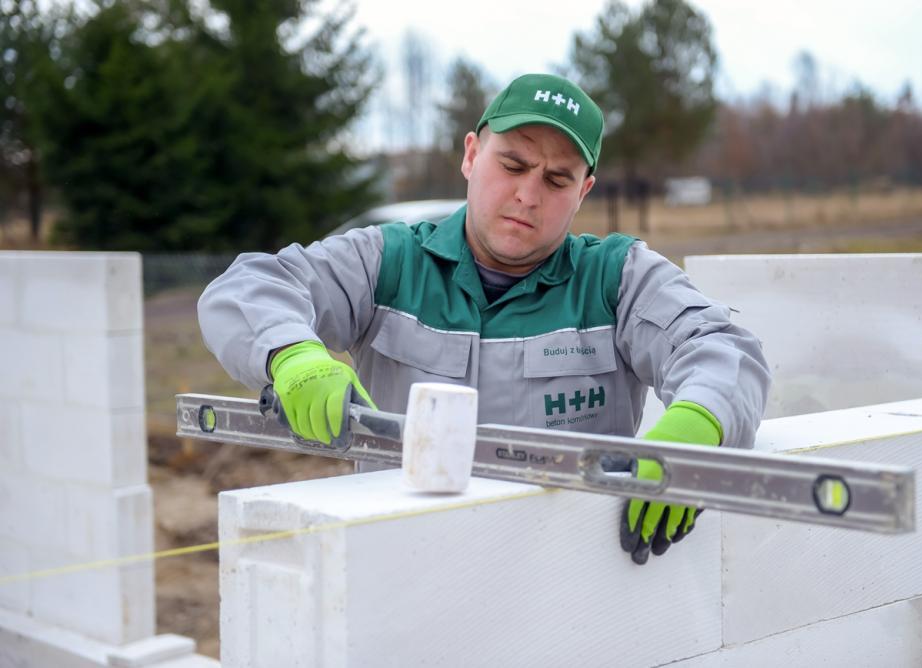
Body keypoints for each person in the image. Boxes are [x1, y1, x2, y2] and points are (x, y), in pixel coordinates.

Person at [198, 73, 771, 565]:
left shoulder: (616, 279)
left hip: (573, 586)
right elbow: (249, 287)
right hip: (399, 571)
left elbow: (722, 347)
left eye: (555, 179)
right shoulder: (389, 263)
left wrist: (699, 426)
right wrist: (292, 356)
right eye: (513, 164)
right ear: (472, 154)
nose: (527, 195)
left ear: (584, 192)